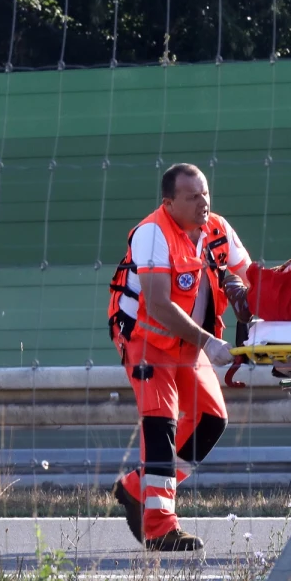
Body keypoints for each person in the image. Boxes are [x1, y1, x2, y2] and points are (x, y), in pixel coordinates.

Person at [106, 163, 252, 551]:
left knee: (212, 420)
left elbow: (249, 273)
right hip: (145, 340)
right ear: (169, 203)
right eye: (192, 196)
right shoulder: (152, 233)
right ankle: (160, 528)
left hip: (188, 344)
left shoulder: (218, 229)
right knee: (160, 426)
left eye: (205, 193)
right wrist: (207, 342)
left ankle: (138, 487)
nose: (203, 202)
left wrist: (246, 296)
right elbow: (155, 301)